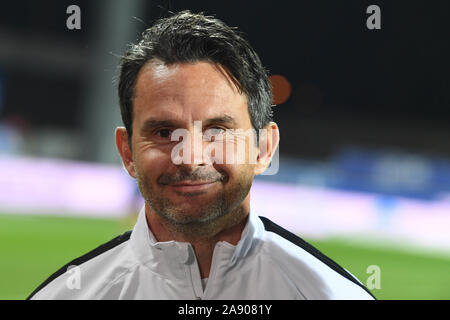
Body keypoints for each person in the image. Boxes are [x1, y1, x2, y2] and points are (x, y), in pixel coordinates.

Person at [28, 11, 375, 300]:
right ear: (127, 151)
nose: (190, 157)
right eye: (164, 133)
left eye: (217, 131)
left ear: (264, 148)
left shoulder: (333, 294)